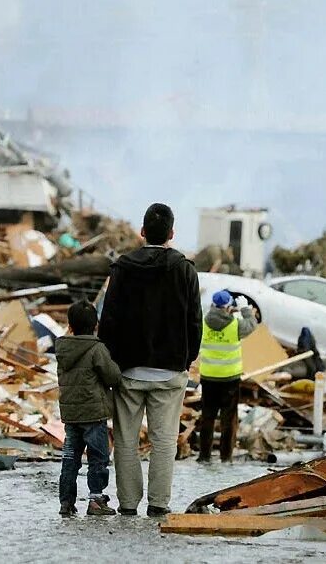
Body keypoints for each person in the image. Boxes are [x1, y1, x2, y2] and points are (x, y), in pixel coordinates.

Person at [98, 203, 202, 517]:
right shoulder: (185, 269)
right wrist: (188, 358)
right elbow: (194, 320)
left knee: (127, 441)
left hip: (128, 371)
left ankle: (128, 504)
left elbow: (109, 321)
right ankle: (159, 504)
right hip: (170, 371)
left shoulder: (122, 269)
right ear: (171, 233)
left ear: (142, 232)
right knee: (164, 440)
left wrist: (111, 362)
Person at [55, 300, 122, 517]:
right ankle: (95, 500)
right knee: (98, 458)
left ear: (70, 326)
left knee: (70, 458)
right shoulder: (96, 348)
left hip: (71, 415)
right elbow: (112, 376)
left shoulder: (63, 349)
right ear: (95, 325)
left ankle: (66, 502)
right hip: (93, 414)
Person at [197, 290, 257, 463]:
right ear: (228, 306)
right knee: (228, 420)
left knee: (207, 417)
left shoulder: (203, 323)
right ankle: (225, 456)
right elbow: (252, 324)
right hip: (229, 379)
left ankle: (204, 455)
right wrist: (245, 309)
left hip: (208, 377)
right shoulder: (236, 325)